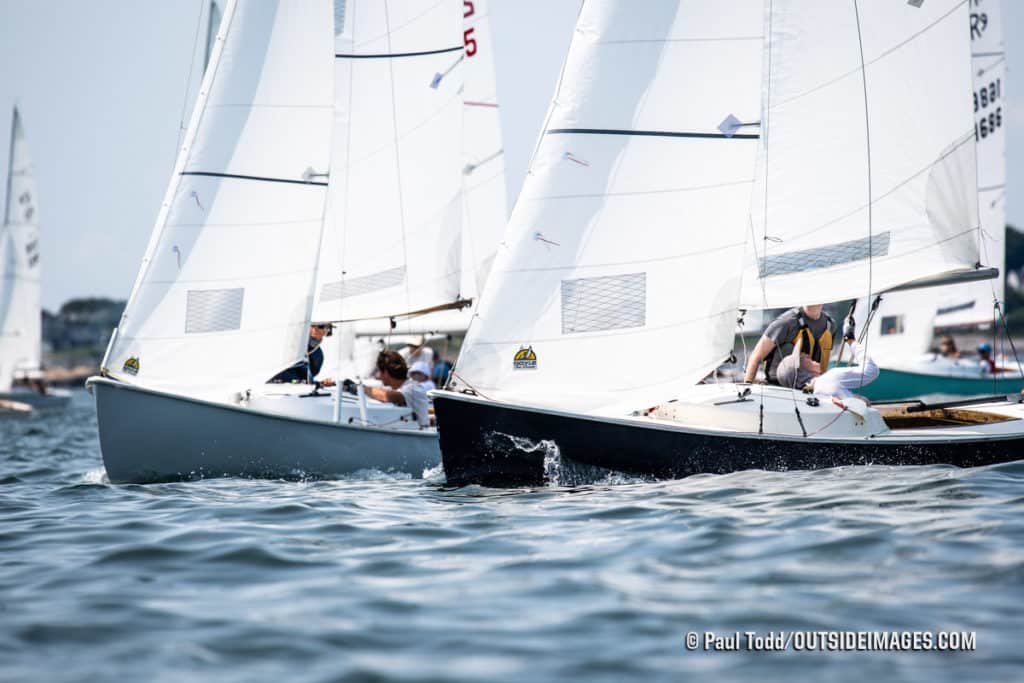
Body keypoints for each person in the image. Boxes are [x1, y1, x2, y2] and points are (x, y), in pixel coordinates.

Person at [776, 318, 879, 398]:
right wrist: (851, 340)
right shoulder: (831, 377)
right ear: (801, 372)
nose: (807, 355)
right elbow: (871, 370)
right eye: (802, 358)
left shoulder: (809, 396)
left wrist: (853, 398)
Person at [743, 304, 836, 385]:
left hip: (810, 386)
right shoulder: (786, 322)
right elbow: (756, 356)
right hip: (778, 387)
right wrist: (747, 385)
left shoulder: (830, 325)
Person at [364, 351, 430, 427]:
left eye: (379, 371)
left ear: (385, 373)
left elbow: (387, 396)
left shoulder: (413, 388)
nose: (378, 376)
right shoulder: (397, 388)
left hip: (419, 434)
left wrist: (361, 389)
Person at [269, 323, 336, 386]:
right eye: (312, 325)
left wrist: (320, 384)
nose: (315, 329)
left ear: (327, 330)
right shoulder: (290, 343)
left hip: (289, 387)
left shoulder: (318, 355)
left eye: (320, 326)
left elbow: (305, 378)